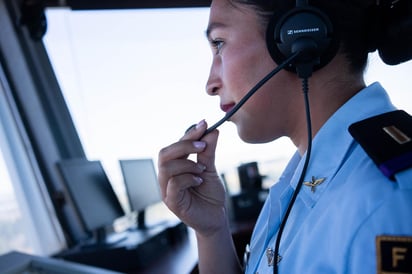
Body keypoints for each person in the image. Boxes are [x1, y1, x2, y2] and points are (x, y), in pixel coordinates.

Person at [157, 0, 412, 273]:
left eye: (219, 43)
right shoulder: (304, 175)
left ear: (299, 34)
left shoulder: (383, 203)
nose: (210, 84)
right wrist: (212, 231)